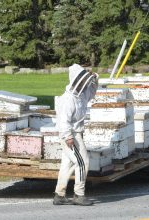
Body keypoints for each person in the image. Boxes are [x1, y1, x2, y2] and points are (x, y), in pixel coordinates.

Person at [54, 63, 98, 206]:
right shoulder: (68, 99)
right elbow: (63, 121)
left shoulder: (81, 95)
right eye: (82, 81)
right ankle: (79, 195)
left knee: (66, 164)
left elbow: (92, 92)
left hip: (76, 133)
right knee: (83, 162)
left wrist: (94, 78)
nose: (83, 85)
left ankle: (59, 195)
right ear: (75, 80)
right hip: (70, 135)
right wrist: (68, 137)